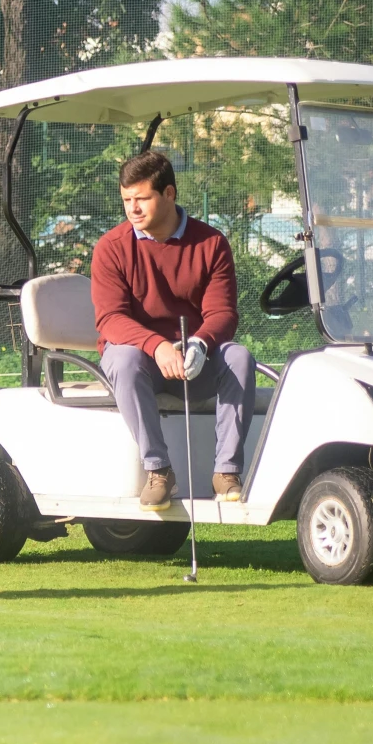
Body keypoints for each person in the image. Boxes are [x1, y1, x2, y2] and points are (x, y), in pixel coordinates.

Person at [88, 150, 254, 510]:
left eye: (142, 199)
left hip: (196, 362)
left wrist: (201, 343)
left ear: (169, 195)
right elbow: (110, 320)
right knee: (124, 357)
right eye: (126, 200)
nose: (133, 209)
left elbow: (223, 313)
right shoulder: (111, 248)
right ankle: (159, 470)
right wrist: (157, 346)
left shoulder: (211, 244)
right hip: (143, 363)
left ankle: (226, 471)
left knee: (239, 356)